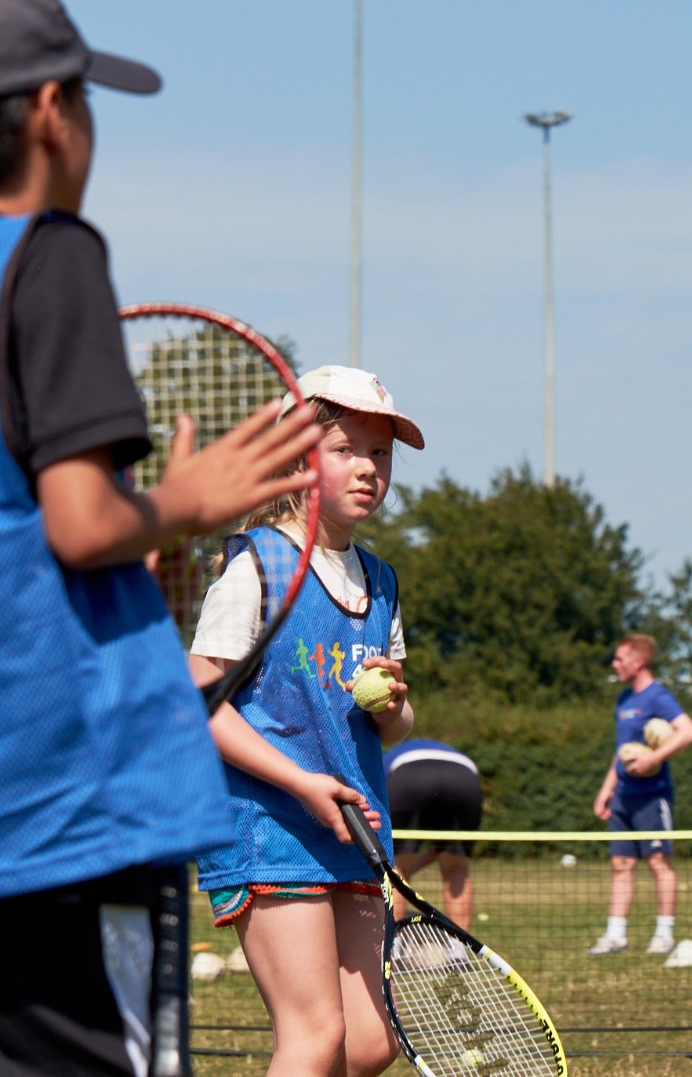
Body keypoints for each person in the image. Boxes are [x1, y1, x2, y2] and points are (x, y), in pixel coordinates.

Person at [0, 0, 320, 1077]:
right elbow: (79, 523)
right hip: (63, 816)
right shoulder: (49, 251)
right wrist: (191, 497)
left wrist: (153, 551)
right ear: (49, 112)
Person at [187, 364, 423, 1077]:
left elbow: (399, 724)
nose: (368, 469)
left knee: (371, 1042)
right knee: (315, 1035)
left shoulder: (380, 582)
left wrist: (392, 706)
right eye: (347, 448)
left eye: (379, 454)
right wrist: (301, 784)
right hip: (270, 831)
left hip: (357, 835)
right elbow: (199, 704)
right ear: (298, 455)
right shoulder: (257, 567)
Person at [588, 634, 692, 955]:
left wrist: (654, 758)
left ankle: (664, 935)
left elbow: (689, 731)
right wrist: (607, 789)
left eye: (620, 659)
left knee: (657, 863)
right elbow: (620, 752)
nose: (615, 664)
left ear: (638, 662)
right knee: (621, 864)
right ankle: (615, 937)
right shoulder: (623, 700)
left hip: (653, 795)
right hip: (623, 796)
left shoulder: (657, 697)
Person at [384, 737, 484, 929]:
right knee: (457, 868)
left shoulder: (389, 756)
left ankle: (393, 946)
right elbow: (439, 850)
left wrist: (402, 871)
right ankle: (458, 950)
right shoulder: (448, 752)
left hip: (409, 774)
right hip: (464, 775)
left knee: (395, 870)